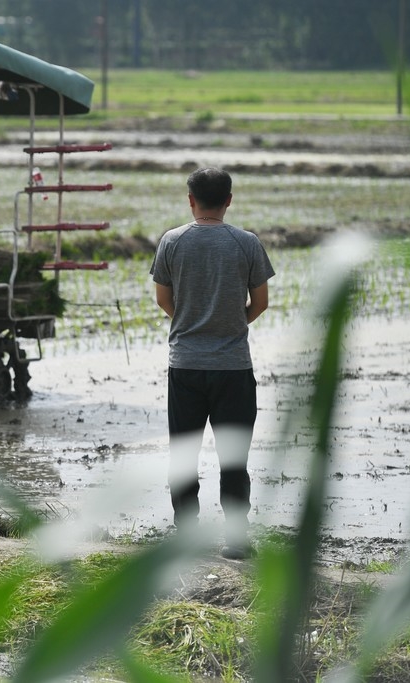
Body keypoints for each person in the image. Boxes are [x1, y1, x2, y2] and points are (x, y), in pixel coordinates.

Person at [149, 167, 275, 560]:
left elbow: (162, 298)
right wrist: (232, 324)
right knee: (234, 458)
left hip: (185, 365)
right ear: (229, 200)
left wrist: (190, 322)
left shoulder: (172, 241)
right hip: (234, 368)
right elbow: (261, 302)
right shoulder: (246, 243)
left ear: (191, 200)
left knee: (183, 454)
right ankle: (237, 541)